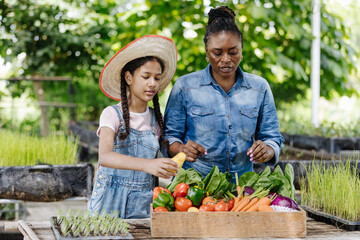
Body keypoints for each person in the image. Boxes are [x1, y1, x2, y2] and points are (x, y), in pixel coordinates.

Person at [164, 6, 284, 181]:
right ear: (207, 53)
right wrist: (181, 149)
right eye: (217, 53)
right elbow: (169, 137)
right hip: (193, 187)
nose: (226, 59)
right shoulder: (185, 87)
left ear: (242, 51)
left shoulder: (260, 88)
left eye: (233, 52)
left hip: (241, 188)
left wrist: (268, 150)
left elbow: (272, 136)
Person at [88, 35, 178, 219]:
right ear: (128, 77)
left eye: (157, 78)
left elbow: (164, 158)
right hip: (108, 203)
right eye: (146, 76)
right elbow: (105, 157)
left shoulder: (156, 120)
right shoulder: (112, 114)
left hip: (142, 206)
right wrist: (148, 165)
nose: (152, 83)